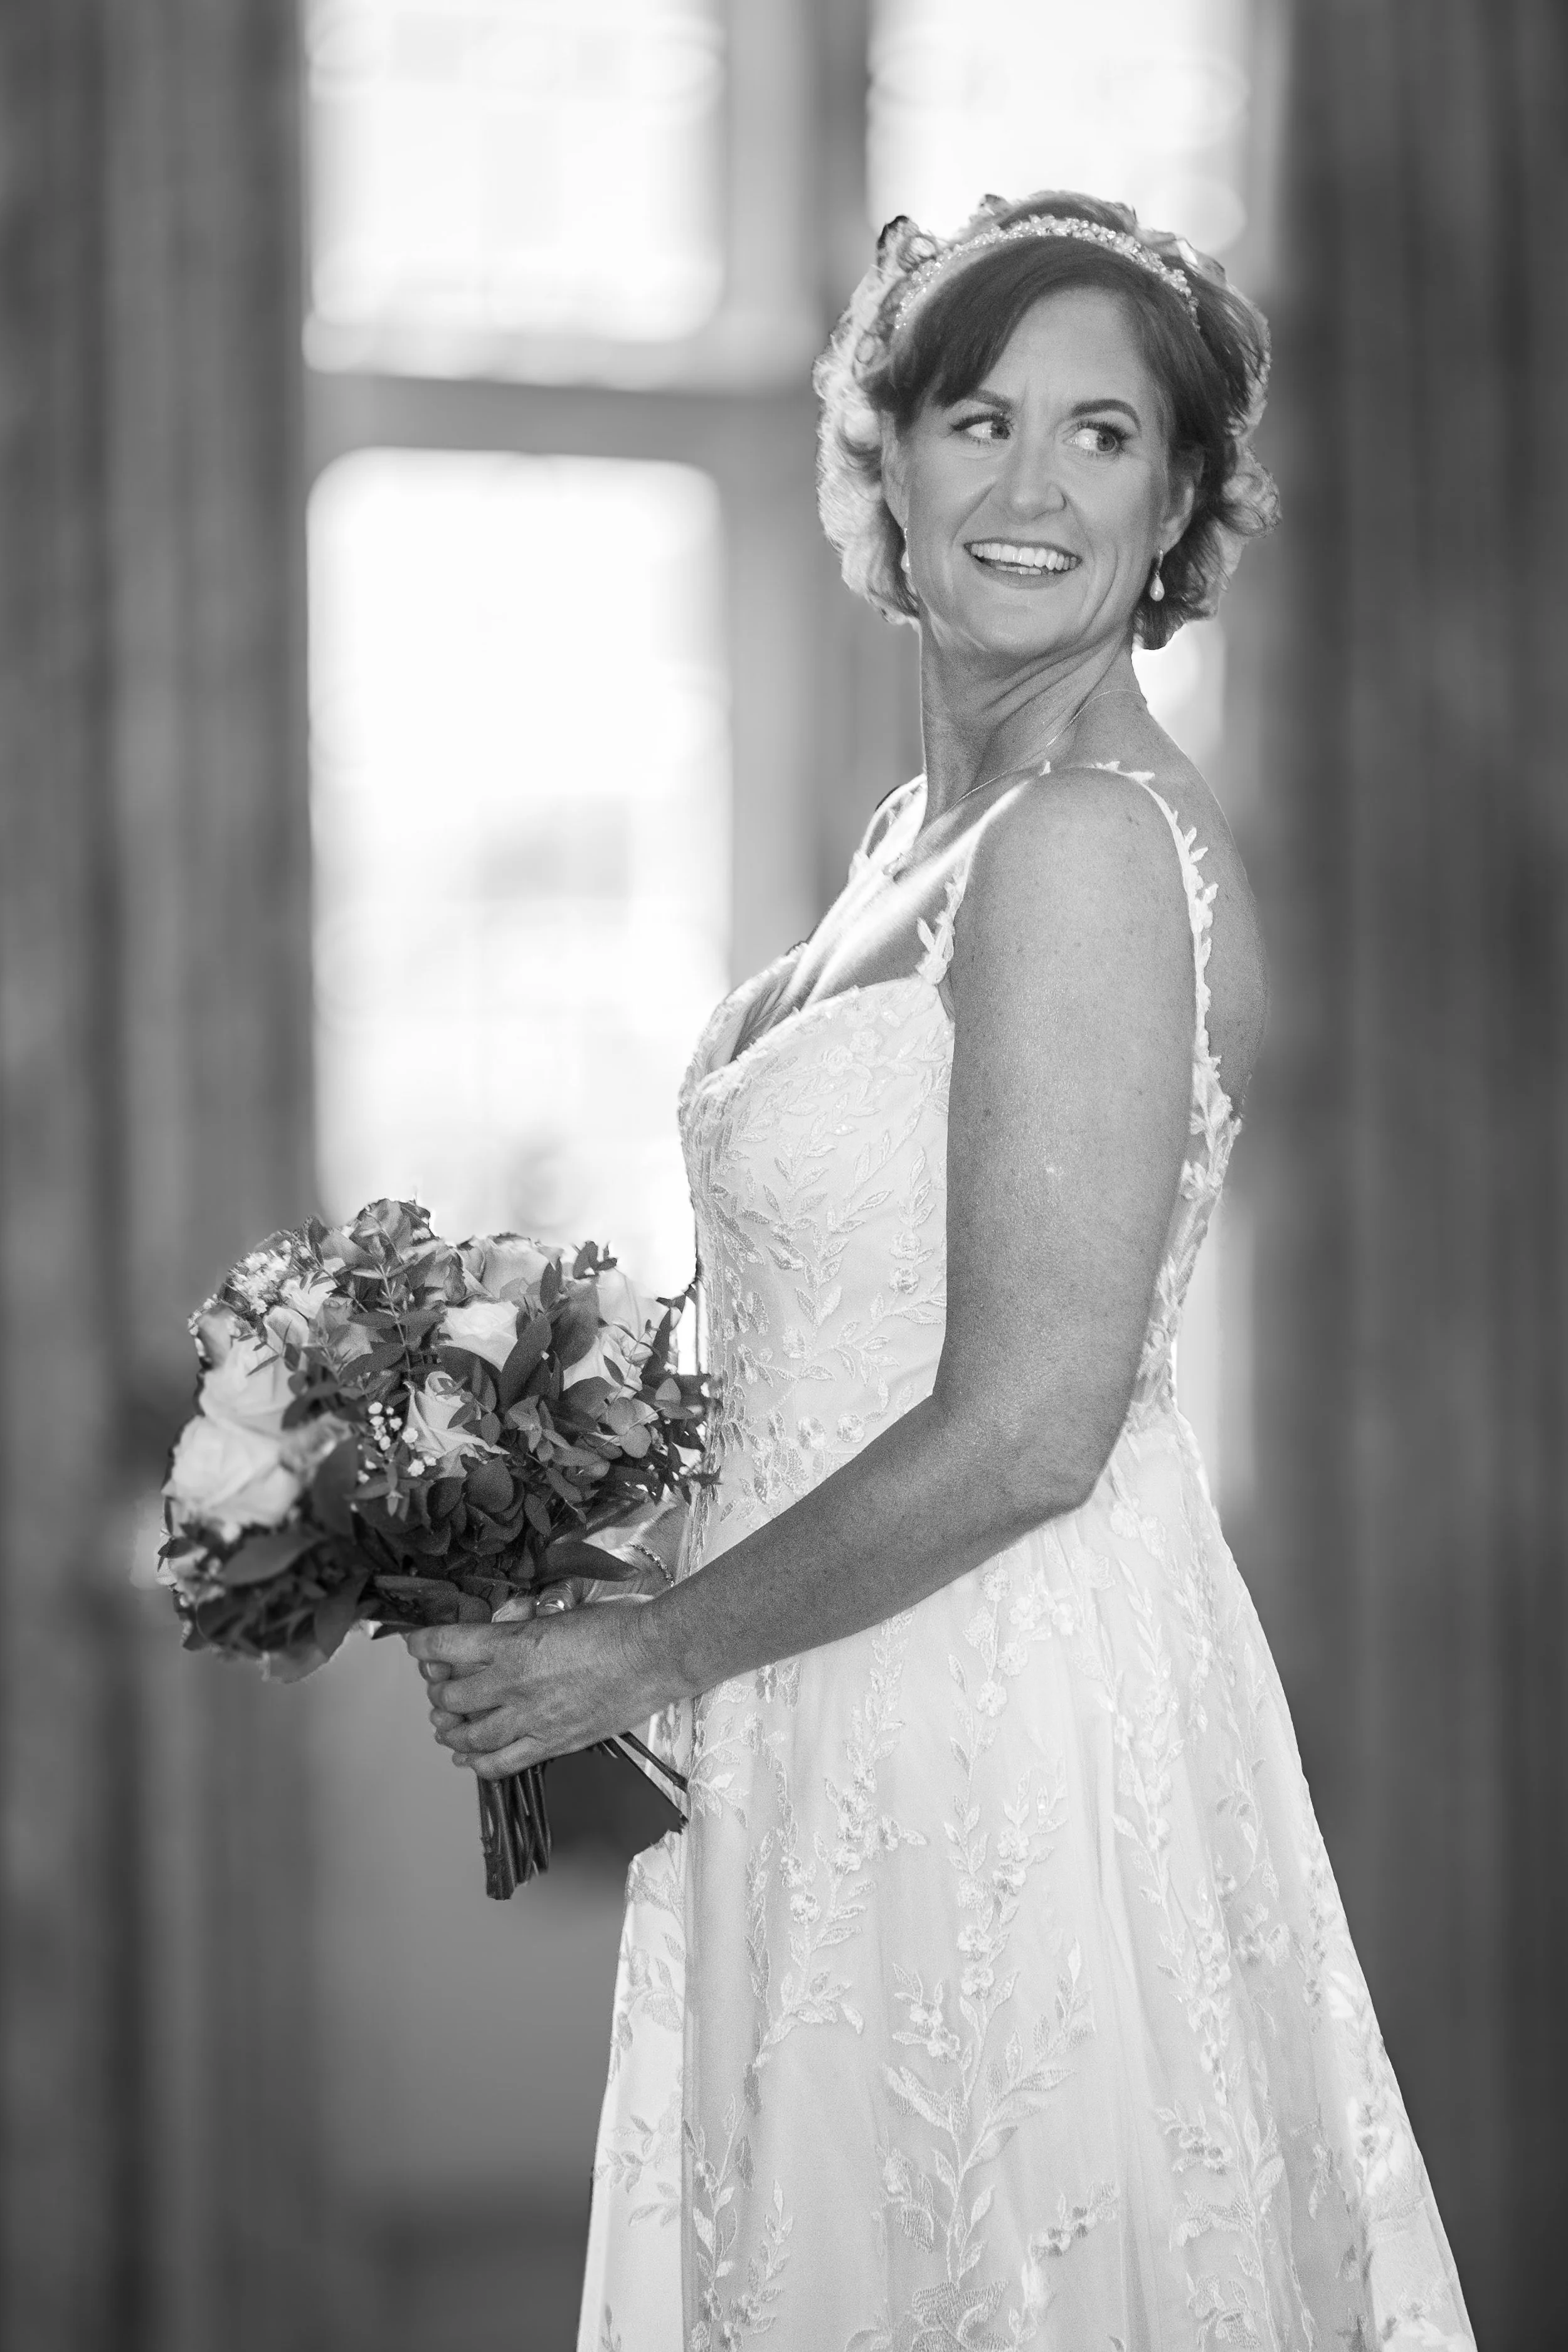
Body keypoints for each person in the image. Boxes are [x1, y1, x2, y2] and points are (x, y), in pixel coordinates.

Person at [409, 191, 1476, 2352]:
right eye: (977, 416)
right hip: (823, 1709)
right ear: (879, 460)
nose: (1027, 484)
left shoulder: (1085, 848)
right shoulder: (920, 845)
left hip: (997, 1722)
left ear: (1177, 505)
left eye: (1102, 436)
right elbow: (849, 1351)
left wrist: (646, 1655)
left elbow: (1027, 1424)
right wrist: (541, 1540)